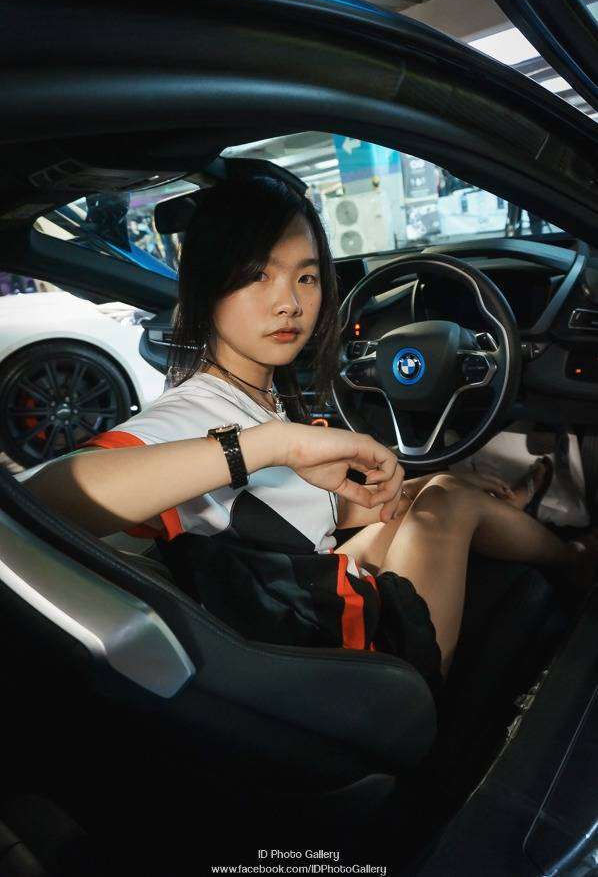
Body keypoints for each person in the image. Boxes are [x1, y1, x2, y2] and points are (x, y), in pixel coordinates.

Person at [23, 176, 598, 705]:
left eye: (306, 277)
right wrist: (270, 445)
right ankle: (574, 560)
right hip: (356, 663)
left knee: (437, 488)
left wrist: (402, 485)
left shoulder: (257, 394)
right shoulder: (190, 416)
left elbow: (299, 514)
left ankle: (515, 510)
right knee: (446, 502)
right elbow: (43, 500)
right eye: (258, 275)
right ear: (205, 286)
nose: (289, 304)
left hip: (310, 595)